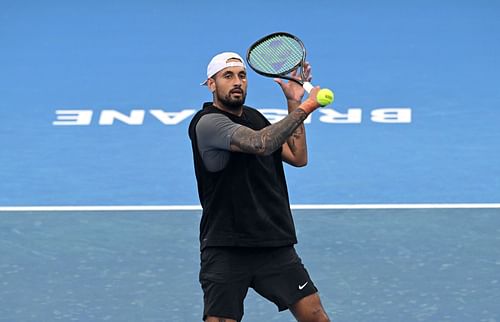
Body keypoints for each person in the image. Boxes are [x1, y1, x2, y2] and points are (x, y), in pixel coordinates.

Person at [188, 52, 330, 322]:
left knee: (316, 316)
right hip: (226, 245)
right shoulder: (207, 122)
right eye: (227, 76)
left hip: (272, 242)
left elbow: (298, 156)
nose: (237, 81)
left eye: (242, 75)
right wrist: (307, 107)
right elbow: (260, 144)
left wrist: (292, 101)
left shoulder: (255, 117)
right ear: (211, 84)